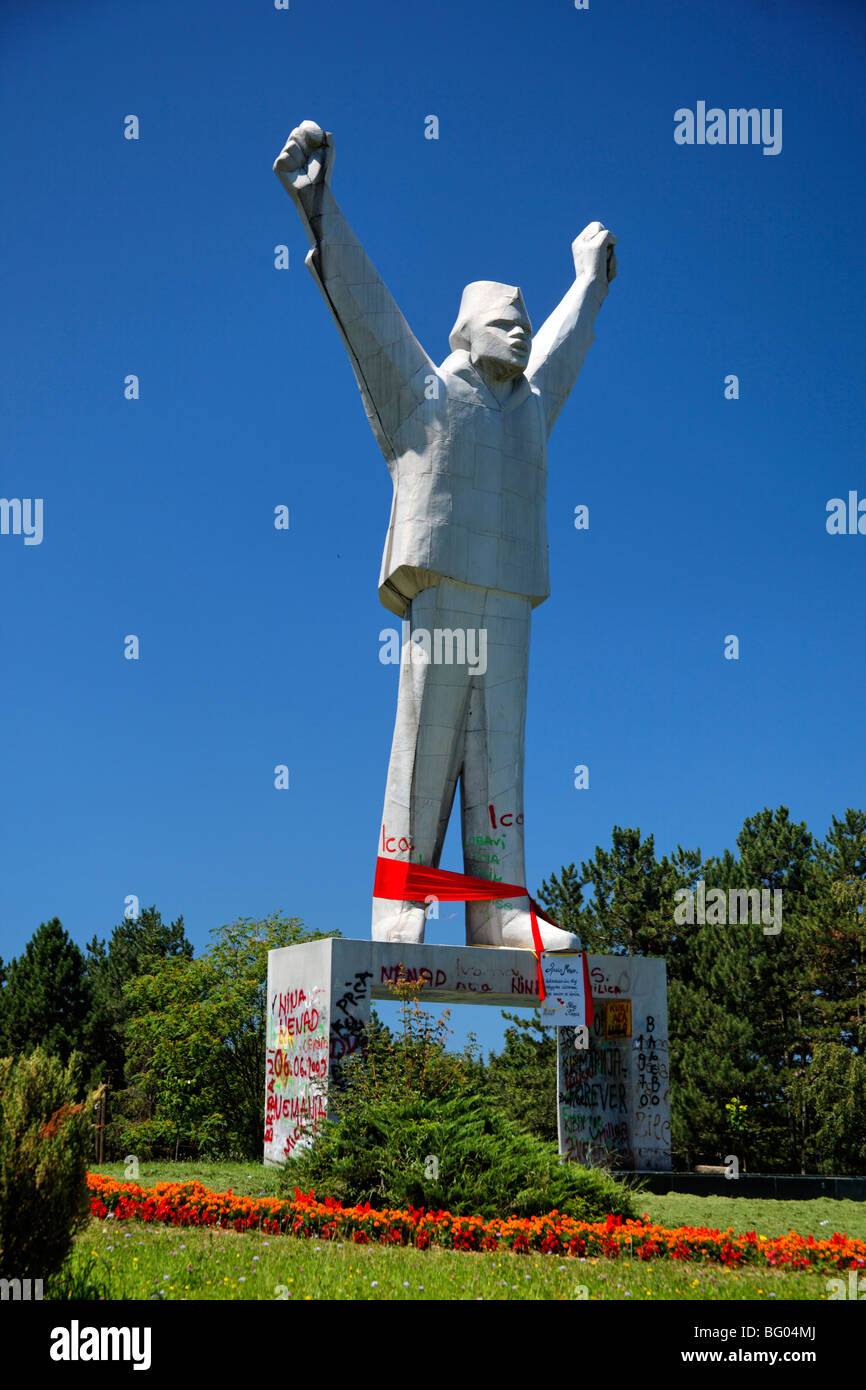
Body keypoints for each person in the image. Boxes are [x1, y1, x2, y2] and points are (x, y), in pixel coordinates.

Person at [274, 121, 617, 950]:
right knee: (426, 743)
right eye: (506, 319)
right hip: (445, 587)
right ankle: (398, 901)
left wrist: (589, 284)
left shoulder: (530, 409)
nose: (523, 328)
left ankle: (500, 911)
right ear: (465, 331)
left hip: (510, 596)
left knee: (503, 757)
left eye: (524, 319)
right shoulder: (426, 397)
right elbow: (367, 313)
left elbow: (565, 346)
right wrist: (319, 208)